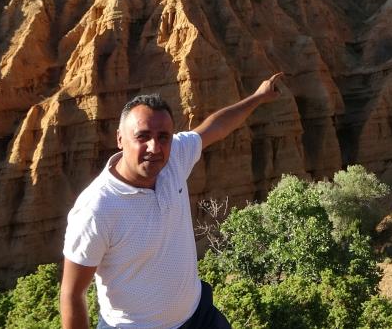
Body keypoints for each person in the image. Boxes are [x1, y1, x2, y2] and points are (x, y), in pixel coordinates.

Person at [60, 73, 284, 329]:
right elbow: (72, 294)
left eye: (163, 136)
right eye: (142, 136)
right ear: (120, 139)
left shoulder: (174, 157)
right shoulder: (97, 208)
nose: (155, 147)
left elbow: (216, 127)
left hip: (199, 316)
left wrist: (258, 97)